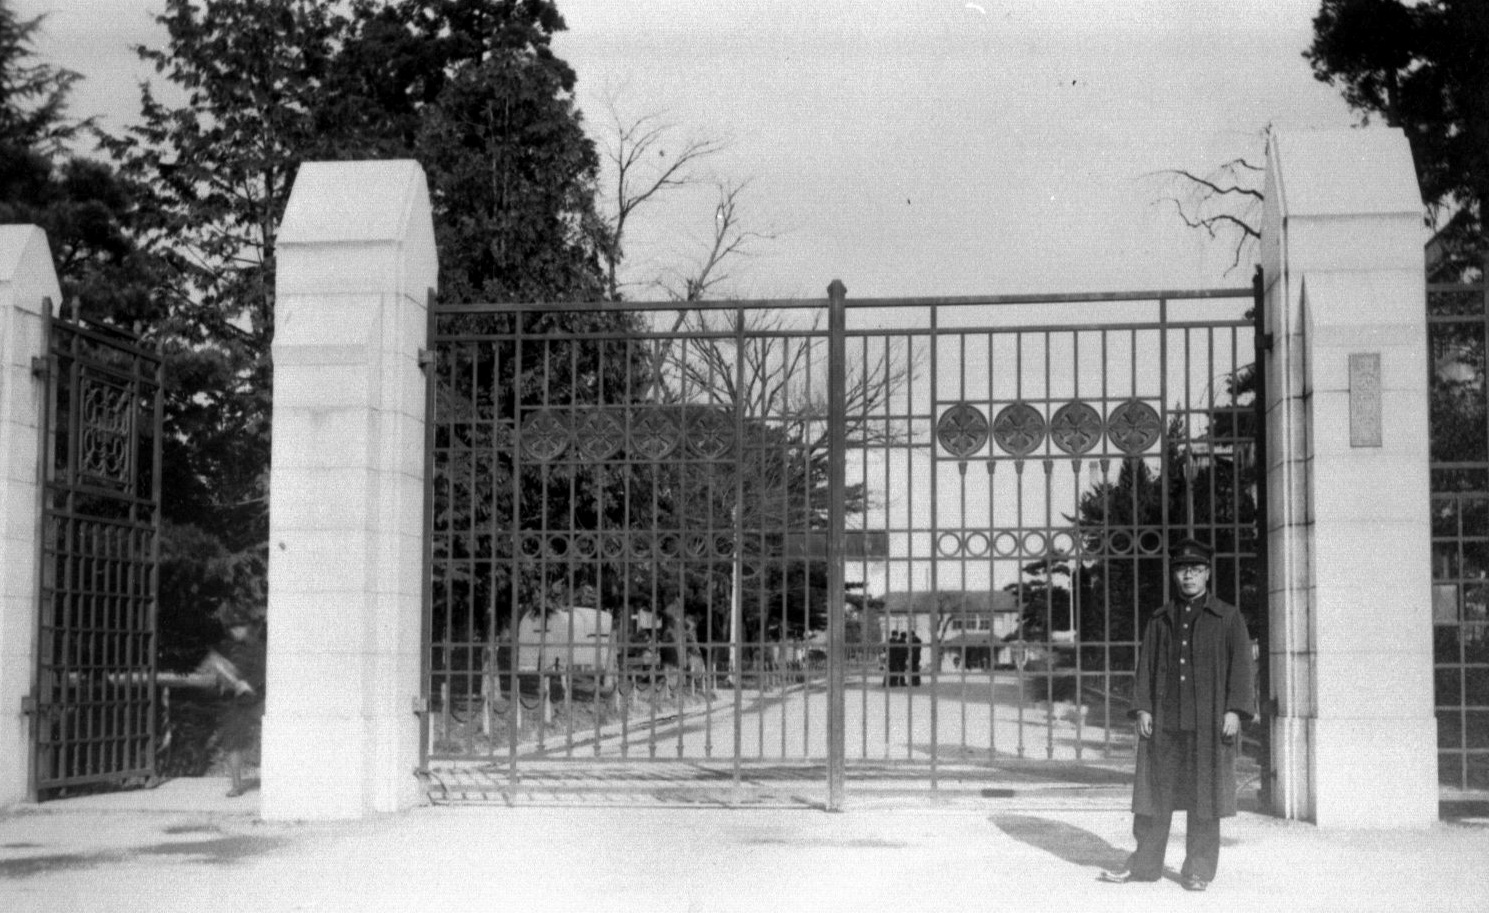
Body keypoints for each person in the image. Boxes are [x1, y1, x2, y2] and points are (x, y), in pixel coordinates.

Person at [1101, 538, 1255, 892]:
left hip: (1209, 725)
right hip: (1166, 725)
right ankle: (1145, 864)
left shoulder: (1228, 617)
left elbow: (1242, 670)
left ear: (1207, 573)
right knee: (1155, 797)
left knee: (1205, 797)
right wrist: (1142, 706)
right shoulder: (1161, 619)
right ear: (1174, 575)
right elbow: (1146, 666)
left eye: (1195, 569)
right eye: (1182, 570)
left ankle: (1198, 869)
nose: (1188, 576)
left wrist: (1235, 710)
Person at [202, 611, 267, 798]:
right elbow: (217, 669)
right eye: (232, 627)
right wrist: (223, 677)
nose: (236, 631)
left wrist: (250, 684)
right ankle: (237, 785)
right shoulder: (226, 647)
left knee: (276, 735)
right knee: (232, 741)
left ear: (248, 627)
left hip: (258, 700)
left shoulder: (260, 647)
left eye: (240, 626)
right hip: (234, 702)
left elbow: (264, 671)